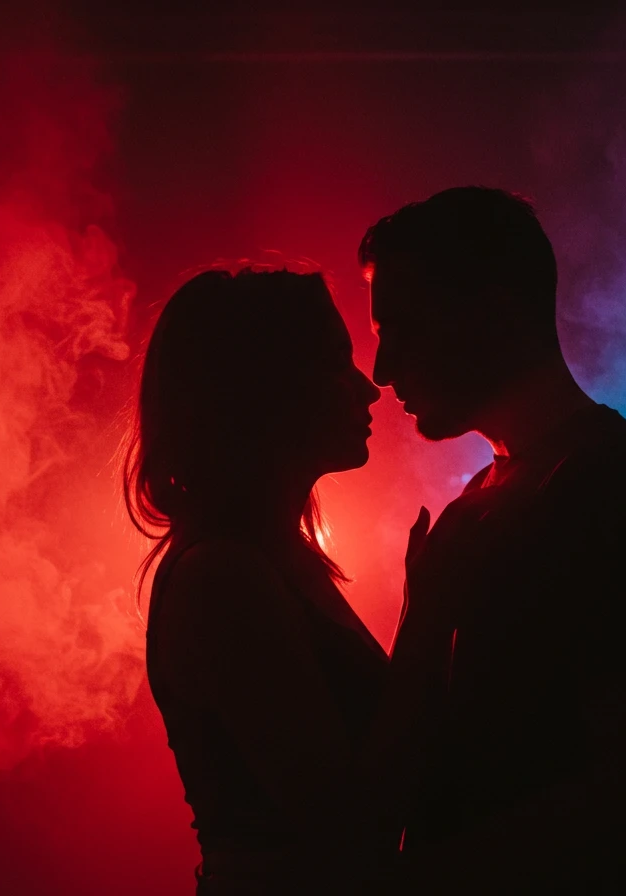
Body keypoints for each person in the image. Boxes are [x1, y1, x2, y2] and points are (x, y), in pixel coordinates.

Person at [361, 187, 626, 892]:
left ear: (494, 315)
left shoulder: (625, 492)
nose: (383, 368)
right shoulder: (492, 497)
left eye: (404, 328)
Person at [123, 268, 411, 894]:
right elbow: (345, 822)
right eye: (337, 363)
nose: (369, 388)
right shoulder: (222, 577)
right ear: (264, 388)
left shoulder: (273, 557)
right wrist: (430, 612)